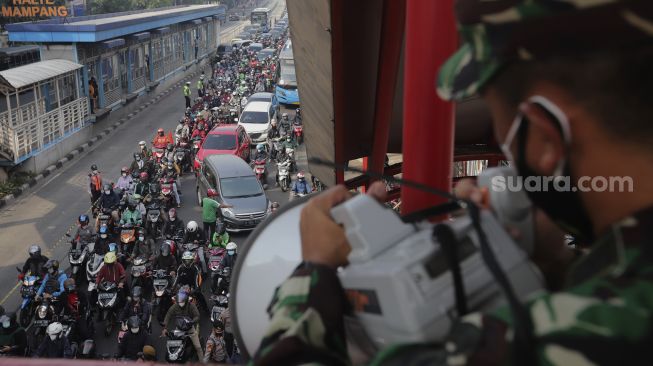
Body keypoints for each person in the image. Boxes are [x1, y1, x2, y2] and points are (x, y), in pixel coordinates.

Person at [251, 1, 653, 365]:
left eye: (502, 126)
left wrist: (315, 270)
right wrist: (553, 266)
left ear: (545, 137)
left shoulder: (516, 347)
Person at [162, 291, 203, 361]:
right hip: (179, 329)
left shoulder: (191, 306)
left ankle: (202, 362)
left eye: (182, 302)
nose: (180, 304)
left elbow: (197, 316)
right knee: (174, 346)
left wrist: (192, 322)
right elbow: (168, 315)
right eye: (179, 302)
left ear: (186, 301)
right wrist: (165, 328)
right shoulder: (175, 306)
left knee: (198, 347)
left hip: (190, 328)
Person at [61, 278, 92, 342]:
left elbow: (85, 303)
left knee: (84, 332)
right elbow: (59, 306)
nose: (71, 289)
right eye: (68, 288)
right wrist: (55, 314)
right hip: (67, 316)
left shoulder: (80, 293)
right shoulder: (63, 295)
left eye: (72, 287)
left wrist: (80, 304)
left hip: (79, 315)